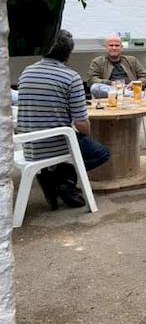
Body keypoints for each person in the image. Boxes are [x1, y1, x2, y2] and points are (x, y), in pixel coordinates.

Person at [17, 29, 110, 209]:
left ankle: (54, 179)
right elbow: (81, 123)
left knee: (78, 142)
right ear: (68, 53)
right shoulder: (70, 77)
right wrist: (86, 135)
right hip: (54, 144)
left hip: (28, 142)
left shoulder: (26, 72)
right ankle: (62, 181)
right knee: (101, 152)